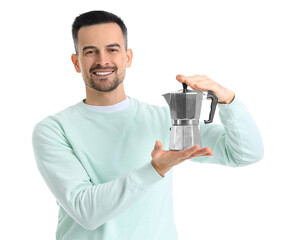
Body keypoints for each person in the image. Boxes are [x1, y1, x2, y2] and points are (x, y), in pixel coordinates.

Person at [32, 10, 264, 240]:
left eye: (112, 50)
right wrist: (155, 170)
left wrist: (227, 100)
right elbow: (86, 211)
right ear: (76, 62)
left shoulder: (168, 120)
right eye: (90, 51)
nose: (102, 60)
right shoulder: (54, 130)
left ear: (128, 57)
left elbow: (244, 154)